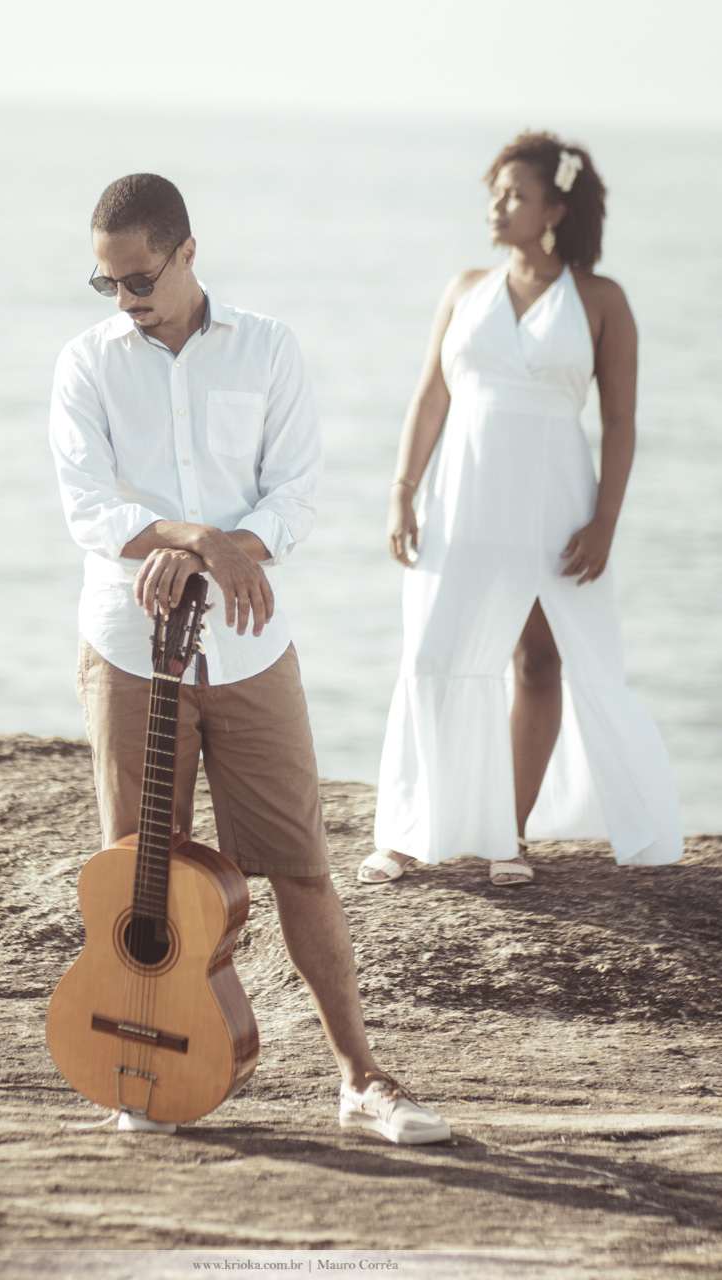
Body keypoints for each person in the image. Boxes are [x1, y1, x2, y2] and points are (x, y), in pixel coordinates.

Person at [49, 173, 450, 1143]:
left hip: (249, 646)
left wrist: (216, 553)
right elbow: (89, 510)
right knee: (140, 875)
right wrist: (197, 539)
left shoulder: (268, 347)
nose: (124, 299)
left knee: (301, 866)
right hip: (128, 647)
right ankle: (141, 1070)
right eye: (105, 283)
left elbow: (294, 495)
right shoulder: (86, 363)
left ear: (187, 253)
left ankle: (360, 1078)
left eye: (139, 279)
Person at [359, 132, 683, 889]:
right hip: (462, 496)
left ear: (554, 210)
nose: (496, 206)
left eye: (514, 195)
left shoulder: (601, 299)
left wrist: (605, 521)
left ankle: (507, 834)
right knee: (433, 653)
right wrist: (402, 490)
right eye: (495, 193)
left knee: (539, 662)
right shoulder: (464, 287)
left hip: (556, 503)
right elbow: (431, 395)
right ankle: (405, 833)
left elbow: (621, 421)